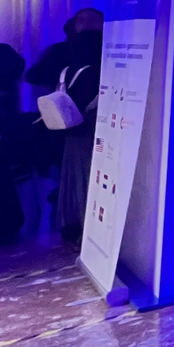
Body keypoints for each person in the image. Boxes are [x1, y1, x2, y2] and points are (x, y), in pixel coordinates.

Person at [55, 30, 102, 245]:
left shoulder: (66, 70)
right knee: (88, 176)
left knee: (72, 178)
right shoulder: (94, 72)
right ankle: (89, 227)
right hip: (89, 131)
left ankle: (71, 223)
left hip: (69, 132)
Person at [24, 8, 103, 94]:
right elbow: (34, 76)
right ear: (73, 26)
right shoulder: (59, 51)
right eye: (81, 20)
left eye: (93, 20)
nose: (87, 24)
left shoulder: (110, 51)